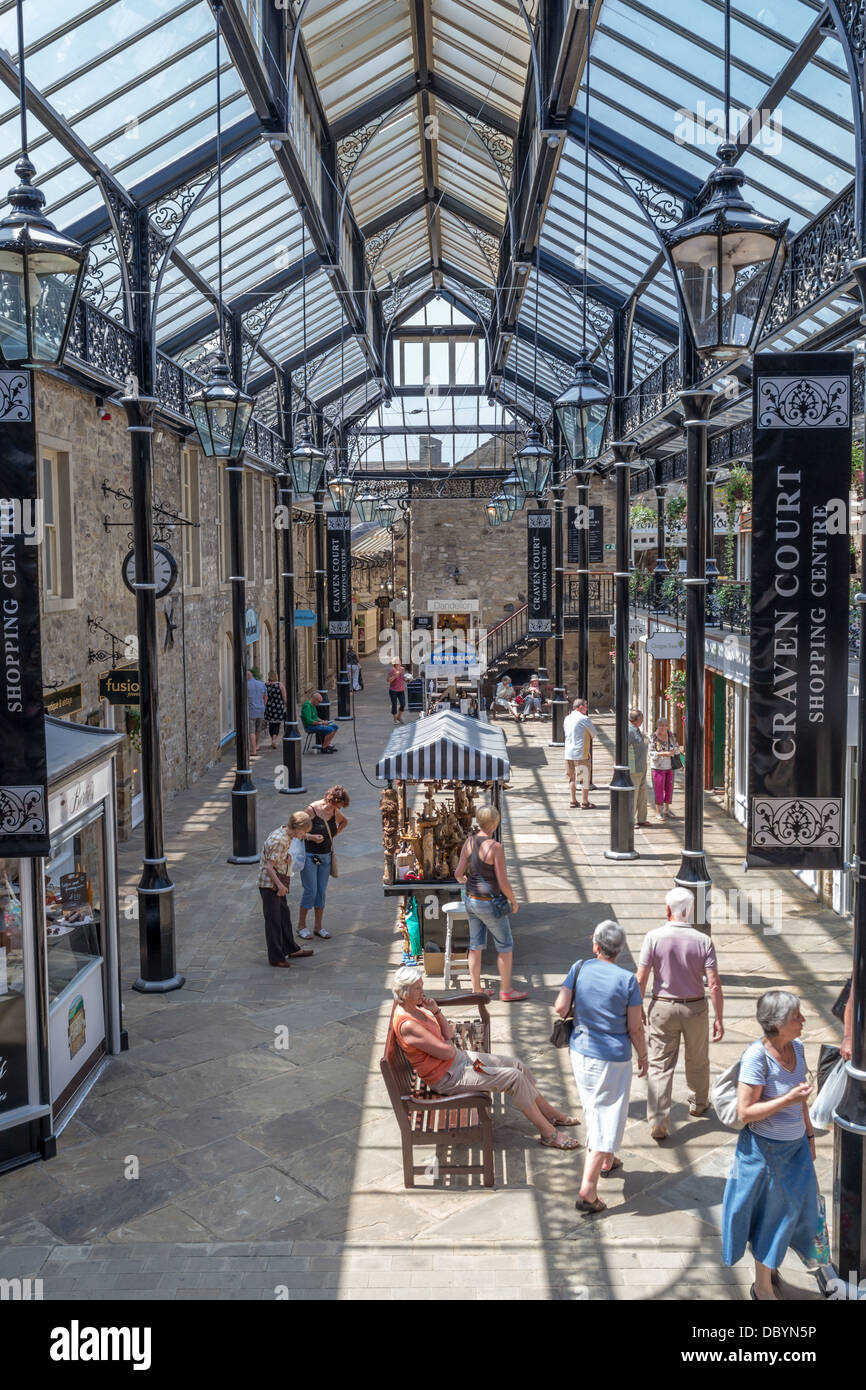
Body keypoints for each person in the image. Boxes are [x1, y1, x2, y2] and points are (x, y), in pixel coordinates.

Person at [391, 965, 580, 1150]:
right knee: (514, 1078)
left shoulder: (417, 1007)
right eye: (418, 988)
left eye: (422, 985)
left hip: (458, 1061)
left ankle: (550, 1114)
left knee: (517, 1065)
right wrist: (447, 1043)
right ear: (405, 992)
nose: (423, 991)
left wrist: (435, 1011)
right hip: (448, 1076)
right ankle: (548, 1134)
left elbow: (448, 1034)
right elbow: (448, 1048)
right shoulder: (408, 1024)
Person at [721, 990, 819, 1301]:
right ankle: (762, 1288)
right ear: (777, 1023)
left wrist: (810, 1136)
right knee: (772, 1218)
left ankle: (773, 1277)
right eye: (796, 1017)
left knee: (794, 1214)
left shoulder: (798, 1048)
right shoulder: (756, 1057)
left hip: (796, 1150)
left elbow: (801, 1102)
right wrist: (788, 1099)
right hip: (765, 1154)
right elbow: (745, 1113)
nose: (803, 1020)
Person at [555, 921, 647, 1213]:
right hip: (613, 1059)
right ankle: (588, 1188)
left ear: (596, 945)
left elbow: (560, 1007)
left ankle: (607, 1159)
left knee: (593, 1107)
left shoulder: (579, 967)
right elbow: (635, 1027)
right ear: (619, 950)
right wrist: (643, 1055)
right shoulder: (628, 980)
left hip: (581, 1052)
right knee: (606, 1116)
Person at [635, 886, 724, 1141]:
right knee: (697, 1057)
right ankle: (698, 1103)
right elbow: (714, 983)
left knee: (660, 1064)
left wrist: (637, 1006)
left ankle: (659, 1119)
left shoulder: (653, 937)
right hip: (695, 1007)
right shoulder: (703, 941)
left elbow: (641, 977)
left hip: (662, 1007)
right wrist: (718, 1016)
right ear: (690, 911)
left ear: (667, 910)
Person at [454, 802, 527, 1003]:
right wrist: (513, 901)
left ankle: (477, 989)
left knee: (475, 945)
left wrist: (466, 883)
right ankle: (506, 990)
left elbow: (458, 873)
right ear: (495, 824)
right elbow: (502, 881)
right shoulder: (495, 847)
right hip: (489, 903)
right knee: (505, 945)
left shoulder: (469, 842)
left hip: (470, 900)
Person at [258, 811, 319, 968]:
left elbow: (275, 859)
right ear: (298, 828)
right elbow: (268, 867)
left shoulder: (286, 832)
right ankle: (276, 957)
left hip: (278, 880)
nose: (304, 835)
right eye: (304, 832)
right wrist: (280, 886)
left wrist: (288, 858)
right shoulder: (280, 841)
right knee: (274, 921)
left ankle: (290, 948)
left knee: (284, 916)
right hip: (270, 884)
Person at [297, 785, 350, 940]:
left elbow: (344, 822)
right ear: (332, 800)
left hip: (326, 856)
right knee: (310, 890)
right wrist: (312, 837)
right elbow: (297, 830)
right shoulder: (311, 810)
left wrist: (332, 836)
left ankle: (318, 927)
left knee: (321, 891)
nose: (340, 808)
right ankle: (301, 926)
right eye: (339, 805)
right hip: (309, 855)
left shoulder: (334, 811)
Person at [563, 697, 598, 809]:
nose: (587, 708)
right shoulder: (584, 719)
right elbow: (593, 733)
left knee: (571, 778)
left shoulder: (567, 718)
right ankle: (585, 801)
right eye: (586, 706)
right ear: (581, 707)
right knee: (584, 778)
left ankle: (573, 800)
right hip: (581, 753)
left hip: (568, 752)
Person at [649, 717, 680, 820]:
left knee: (669, 788)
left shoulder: (670, 735)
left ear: (668, 726)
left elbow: (676, 747)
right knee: (658, 789)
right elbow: (651, 753)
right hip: (658, 767)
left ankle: (666, 810)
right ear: (657, 726)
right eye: (661, 725)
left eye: (665, 725)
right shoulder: (654, 737)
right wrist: (663, 753)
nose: (663, 727)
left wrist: (673, 751)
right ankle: (658, 812)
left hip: (670, 765)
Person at [628, 709, 649, 826]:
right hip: (634, 768)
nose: (643, 720)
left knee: (642, 794)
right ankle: (630, 820)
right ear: (637, 719)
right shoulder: (629, 731)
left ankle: (642, 819)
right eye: (641, 718)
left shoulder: (636, 730)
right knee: (634, 795)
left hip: (641, 767)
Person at [264, 669, 287, 750]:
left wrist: (264, 705)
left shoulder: (266, 685)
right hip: (278, 707)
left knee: (271, 724)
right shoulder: (280, 685)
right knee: (277, 724)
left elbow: (265, 697)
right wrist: (286, 704)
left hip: (269, 707)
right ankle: (274, 739)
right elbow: (284, 697)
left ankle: (272, 740)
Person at [247, 669, 267, 757]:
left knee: (251, 730)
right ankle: (257, 745)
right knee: (258, 729)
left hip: (251, 710)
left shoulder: (246, 685)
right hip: (261, 710)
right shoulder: (262, 684)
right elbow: (266, 697)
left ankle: (254, 750)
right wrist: (263, 706)